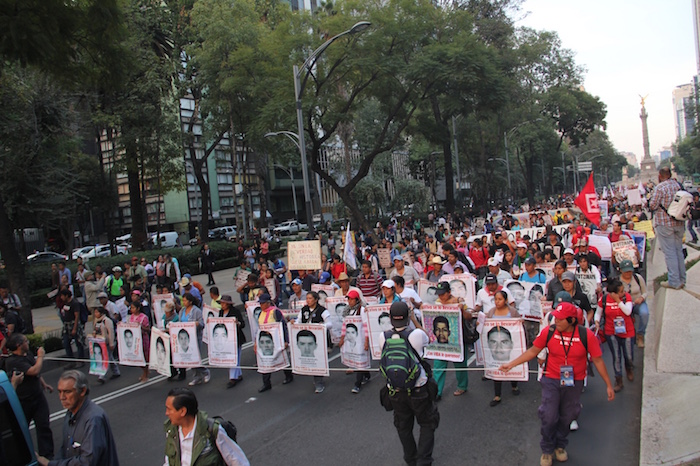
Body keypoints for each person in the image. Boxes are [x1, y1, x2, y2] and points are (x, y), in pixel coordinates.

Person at [499, 302, 614, 466]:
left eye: (560, 319)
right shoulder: (549, 332)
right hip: (551, 379)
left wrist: (608, 384)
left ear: (571, 320)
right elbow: (533, 351)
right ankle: (547, 449)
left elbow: (598, 360)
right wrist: (511, 364)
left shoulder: (586, 335)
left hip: (575, 382)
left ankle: (560, 445)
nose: (556, 321)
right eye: (555, 318)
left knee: (569, 415)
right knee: (549, 415)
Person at [380, 301, 439, 466]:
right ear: (407, 317)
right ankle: (424, 460)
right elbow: (427, 336)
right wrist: (414, 319)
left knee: (403, 426)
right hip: (419, 389)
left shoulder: (383, 336)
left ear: (391, 318)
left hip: (395, 391)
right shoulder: (416, 335)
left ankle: (410, 459)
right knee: (427, 423)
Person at [37, 370, 119, 466]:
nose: (62, 397)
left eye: (67, 392)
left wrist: (50, 464)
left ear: (82, 391)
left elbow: (87, 461)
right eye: (59, 392)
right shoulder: (70, 413)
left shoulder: (93, 419)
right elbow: (65, 449)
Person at [164, 387, 249, 466]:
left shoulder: (211, 430)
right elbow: (168, 461)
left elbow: (236, 460)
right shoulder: (171, 431)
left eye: (169, 409)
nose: (166, 413)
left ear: (183, 411)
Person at [4, 333, 54, 459]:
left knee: (43, 426)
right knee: (21, 430)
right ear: (18, 345)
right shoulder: (13, 361)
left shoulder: (28, 355)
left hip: (37, 397)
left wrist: (44, 384)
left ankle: (47, 455)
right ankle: (23, 455)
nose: (28, 343)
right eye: (25, 341)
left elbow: (36, 373)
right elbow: (33, 370)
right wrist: (41, 356)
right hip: (23, 401)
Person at [432, 281, 472, 400]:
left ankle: (462, 386)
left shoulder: (459, 301)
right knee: (439, 365)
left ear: (449, 292)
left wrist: (462, 309)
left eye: (443, 294)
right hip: (441, 342)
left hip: (457, 339)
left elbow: (469, 317)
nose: (441, 297)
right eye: (439, 294)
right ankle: (437, 392)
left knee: (460, 364)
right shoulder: (437, 303)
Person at [649, 167, 686, 288]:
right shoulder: (678, 185)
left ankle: (674, 281)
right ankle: (682, 279)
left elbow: (653, 205)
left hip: (665, 223)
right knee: (678, 250)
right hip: (679, 222)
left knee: (670, 252)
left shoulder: (660, 188)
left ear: (660, 175)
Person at [595, 279, 634, 392]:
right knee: (616, 357)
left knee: (628, 355)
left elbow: (628, 312)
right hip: (611, 331)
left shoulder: (626, 298)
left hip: (627, 331)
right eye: (620, 291)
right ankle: (618, 379)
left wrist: (618, 301)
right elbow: (598, 312)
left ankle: (629, 367)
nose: (623, 292)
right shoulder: (605, 299)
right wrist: (597, 321)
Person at [484, 291, 521, 407]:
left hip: (507, 346)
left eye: (500, 299)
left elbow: (518, 327)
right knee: (497, 369)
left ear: (505, 300)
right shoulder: (491, 312)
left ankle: (514, 385)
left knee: (511, 364)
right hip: (496, 346)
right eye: (496, 299)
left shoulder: (512, 312)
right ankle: (497, 395)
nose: (497, 302)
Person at [294, 291, 331, 393]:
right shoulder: (304, 309)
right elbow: (299, 321)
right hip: (306, 338)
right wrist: (294, 323)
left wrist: (321, 326)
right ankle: (316, 378)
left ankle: (319, 382)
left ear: (315, 300)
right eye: (307, 298)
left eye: (310, 298)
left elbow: (330, 324)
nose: (308, 301)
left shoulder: (322, 310)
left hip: (318, 340)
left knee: (317, 360)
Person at [256, 293, 293, 392]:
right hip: (265, 340)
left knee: (282, 357)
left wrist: (286, 340)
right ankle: (266, 383)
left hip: (276, 339)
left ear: (268, 303)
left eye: (263, 303)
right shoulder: (261, 313)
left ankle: (288, 375)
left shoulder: (275, 312)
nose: (261, 305)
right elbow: (258, 328)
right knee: (265, 361)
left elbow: (283, 325)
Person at [179, 292, 210, 386]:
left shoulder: (196, 311)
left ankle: (205, 371)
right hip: (185, 338)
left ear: (190, 301)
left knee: (196, 357)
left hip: (195, 337)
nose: (183, 302)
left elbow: (202, 324)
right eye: (183, 300)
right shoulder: (182, 311)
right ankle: (196, 376)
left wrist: (197, 324)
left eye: (185, 300)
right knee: (190, 358)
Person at [618, 259, 649, 348]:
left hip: (637, 303)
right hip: (624, 304)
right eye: (626, 271)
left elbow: (645, 292)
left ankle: (640, 335)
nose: (628, 273)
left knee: (644, 313)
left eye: (630, 271)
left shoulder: (638, 278)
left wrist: (641, 298)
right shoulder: (617, 280)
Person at [58, 289, 86, 367]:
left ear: (67, 295)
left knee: (78, 342)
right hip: (66, 325)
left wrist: (74, 328)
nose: (61, 297)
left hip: (73, 324)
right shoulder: (65, 303)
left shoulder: (75, 303)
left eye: (62, 296)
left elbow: (77, 316)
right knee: (66, 343)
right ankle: (71, 361)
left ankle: (81, 360)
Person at [92, 306, 120, 383]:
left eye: (97, 312)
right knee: (109, 358)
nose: (96, 314)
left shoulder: (107, 321)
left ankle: (102, 375)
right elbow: (95, 329)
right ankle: (116, 371)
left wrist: (111, 343)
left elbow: (111, 332)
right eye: (95, 312)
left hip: (107, 343)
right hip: (99, 342)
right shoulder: (96, 320)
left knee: (105, 359)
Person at [129, 301, 151, 383]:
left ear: (138, 308)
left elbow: (148, 329)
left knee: (144, 358)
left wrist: (141, 327)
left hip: (143, 339)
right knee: (137, 358)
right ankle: (144, 371)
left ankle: (145, 374)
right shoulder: (131, 317)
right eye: (131, 308)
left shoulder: (143, 317)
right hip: (135, 340)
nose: (132, 309)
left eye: (133, 308)